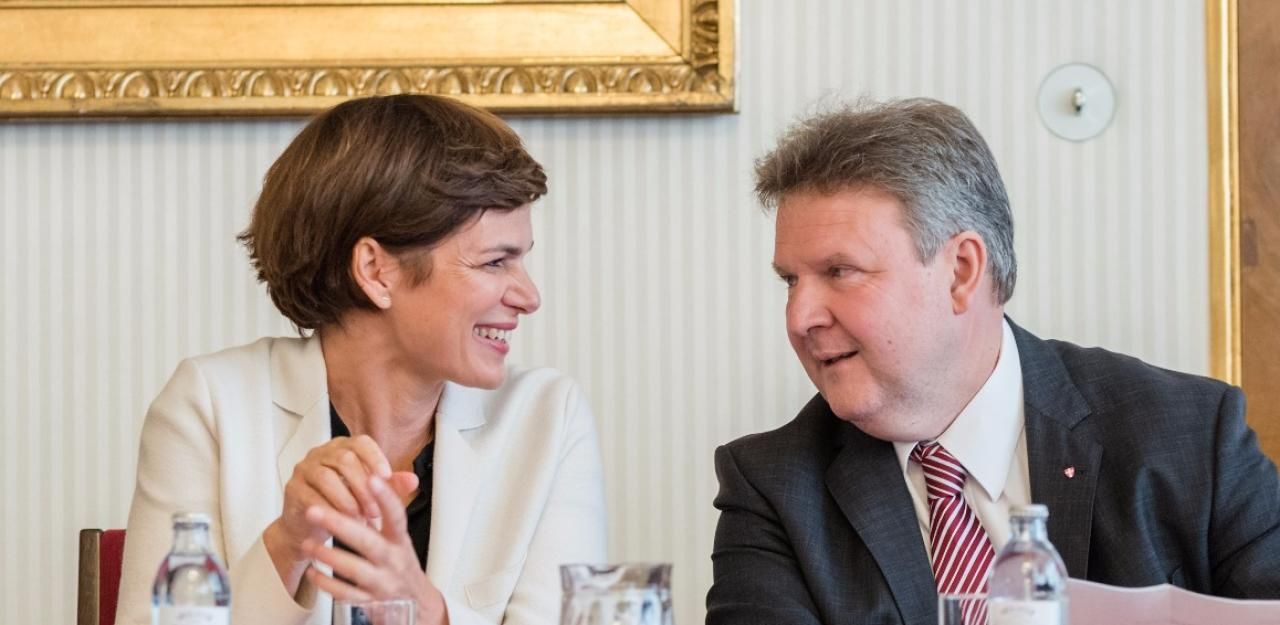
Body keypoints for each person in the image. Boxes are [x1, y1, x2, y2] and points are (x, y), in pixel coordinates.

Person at [706, 98, 1280, 625]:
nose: (800, 317)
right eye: (790, 281)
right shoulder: (776, 489)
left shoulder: (1190, 437)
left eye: (840, 272)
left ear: (960, 272)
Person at [116, 94, 607, 625]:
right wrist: (288, 544)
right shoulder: (209, 405)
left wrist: (425, 610)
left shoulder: (547, 418)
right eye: (495, 262)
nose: (529, 297)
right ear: (375, 270)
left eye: (520, 259)